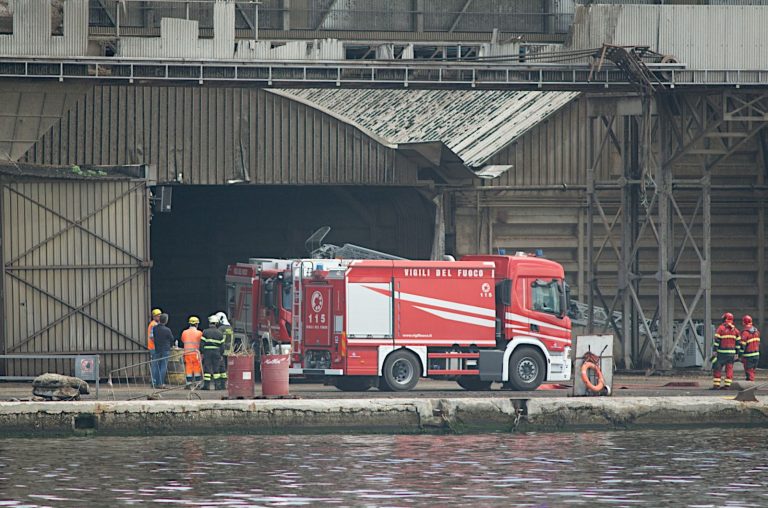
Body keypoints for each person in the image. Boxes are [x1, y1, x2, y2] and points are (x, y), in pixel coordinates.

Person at [712, 312, 740, 390]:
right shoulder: (736, 330)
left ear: (725, 319)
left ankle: (716, 385)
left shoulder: (721, 328)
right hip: (731, 354)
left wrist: (714, 350)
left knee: (717, 368)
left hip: (721, 353)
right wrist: (737, 353)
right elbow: (738, 343)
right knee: (729, 369)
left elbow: (717, 341)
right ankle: (727, 385)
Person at [201, 315, 226, 390]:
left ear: (210, 323)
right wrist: (221, 354)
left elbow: (202, 344)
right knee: (216, 368)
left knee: (207, 368)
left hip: (207, 352)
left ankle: (206, 386)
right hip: (217, 352)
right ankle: (217, 386)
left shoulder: (205, 332)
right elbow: (222, 346)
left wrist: (202, 352)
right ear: (216, 323)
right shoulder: (220, 333)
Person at [152, 313, 175, 389]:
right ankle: (161, 383)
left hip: (157, 349)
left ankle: (154, 382)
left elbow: (154, 337)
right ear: (166, 321)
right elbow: (172, 339)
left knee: (156, 366)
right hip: (165, 349)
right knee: (163, 366)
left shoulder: (155, 328)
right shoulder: (167, 330)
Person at [181, 316, 203, 388]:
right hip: (196, 353)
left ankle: (188, 383)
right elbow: (201, 342)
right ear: (197, 324)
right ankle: (197, 383)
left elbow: (183, 340)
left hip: (187, 353)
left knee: (188, 368)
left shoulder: (184, 332)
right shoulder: (199, 333)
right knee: (197, 368)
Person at [216, 311, 235, 388]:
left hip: (222, 350)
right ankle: (229, 383)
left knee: (221, 367)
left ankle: (222, 384)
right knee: (229, 367)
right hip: (230, 350)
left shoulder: (221, 328)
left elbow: (218, 339)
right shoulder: (230, 328)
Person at [740, 315, 760, 382]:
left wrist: (739, 355)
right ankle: (749, 382)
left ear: (744, 322)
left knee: (749, 371)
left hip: (748, 356)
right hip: (756, 355)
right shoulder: (756, 331)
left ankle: (750, 386)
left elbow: (742, 345)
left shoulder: (745, 332)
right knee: (752, 371)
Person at [147, 308, 162, 386]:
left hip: (154, 347)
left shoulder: (154, 324)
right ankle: (154, 381)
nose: (159, 317)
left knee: (156, 364)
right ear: (154, 316)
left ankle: (155, 380)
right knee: (155, 364)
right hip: (154, 347)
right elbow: (152, 337)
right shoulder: (154, 325)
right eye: (158, 316)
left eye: (160, 316)